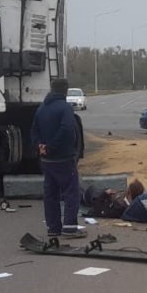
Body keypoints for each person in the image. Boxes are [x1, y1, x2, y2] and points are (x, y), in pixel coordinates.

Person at [31, 78, 86, 240]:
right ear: (65, 90)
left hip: (46, 160)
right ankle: (69, 228)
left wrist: (40, 146)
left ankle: (53, 227)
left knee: (51, 194)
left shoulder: (42, 108)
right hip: (63, 157)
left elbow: (34, 130)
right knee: (71, 193)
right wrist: (52, 147)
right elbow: (67, 130)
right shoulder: (65, 108)